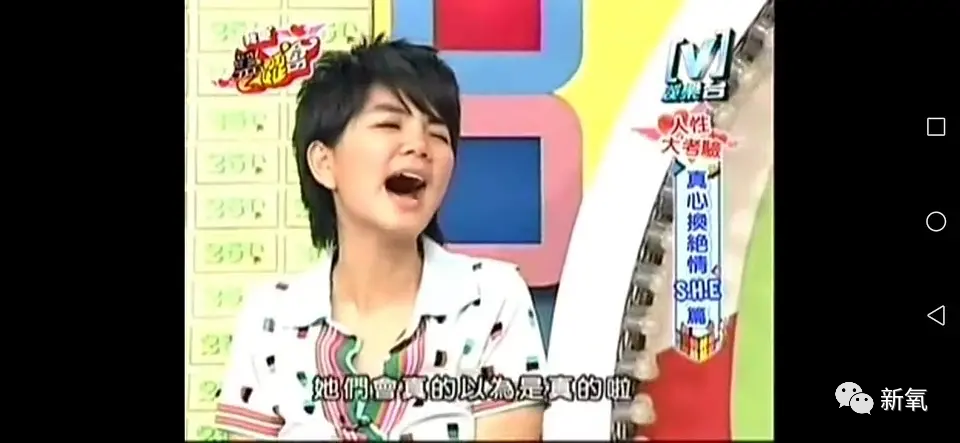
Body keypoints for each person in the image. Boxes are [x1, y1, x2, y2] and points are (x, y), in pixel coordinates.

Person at [213, 35, 548, 440]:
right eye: (389, 125)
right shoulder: (270, 317)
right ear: (324, 163)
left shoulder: (492, 299)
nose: (419, 146)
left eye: (438, 135)